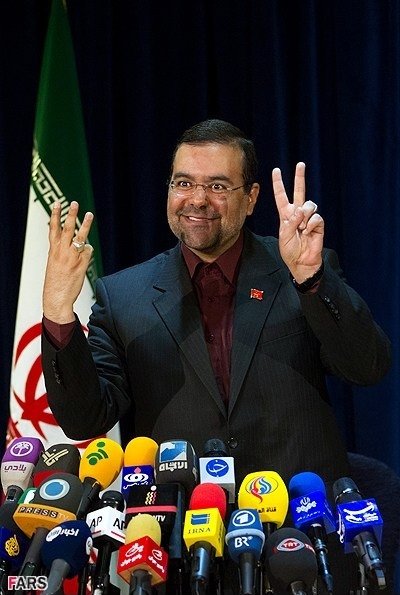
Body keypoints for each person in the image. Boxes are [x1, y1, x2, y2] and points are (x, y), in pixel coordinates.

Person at [41, 119, 391, 593]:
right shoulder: (122, 297)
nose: (197, 199)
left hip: (302, 545)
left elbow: (368, 366)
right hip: (181, 553)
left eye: (218, 186)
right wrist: (59, 313)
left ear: (251, 198)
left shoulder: (300, 269)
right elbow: (84, 417)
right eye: (183, 183)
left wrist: (311, 282)